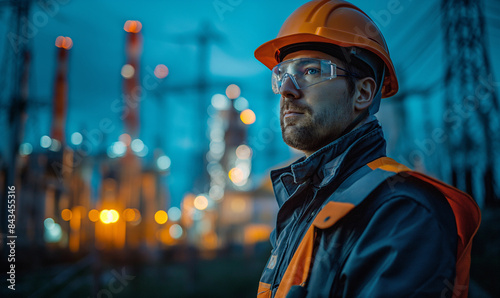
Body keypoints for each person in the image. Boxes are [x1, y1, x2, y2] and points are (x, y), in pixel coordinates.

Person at [253, 1, 481, 297]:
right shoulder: (305, 207)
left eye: (311, 70)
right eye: (282, 74)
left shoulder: (401, 211)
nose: (287, 88)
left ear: (362, 93)